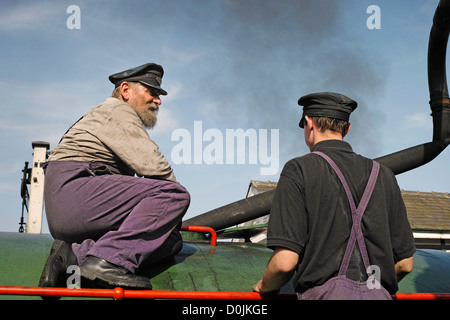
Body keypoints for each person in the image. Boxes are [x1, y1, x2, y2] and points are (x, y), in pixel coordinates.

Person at [39, 63, 190, 290]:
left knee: (171, 242)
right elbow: (154, 166)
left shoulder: (104, 114)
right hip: (75, 190)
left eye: (159, 94)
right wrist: (172, 213)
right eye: (152, 92)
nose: (158, 100)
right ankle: (106, 263)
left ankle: (73, 256)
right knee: (174, 195)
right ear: (126, 90)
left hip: (70, 204)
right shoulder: (117, 111)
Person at [253, 92, 415, 299]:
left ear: (309, 123)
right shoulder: (384, 174)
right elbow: (405, 264)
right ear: (347, 129)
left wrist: (265, 286)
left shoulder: (298, 169)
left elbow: (285, 263)